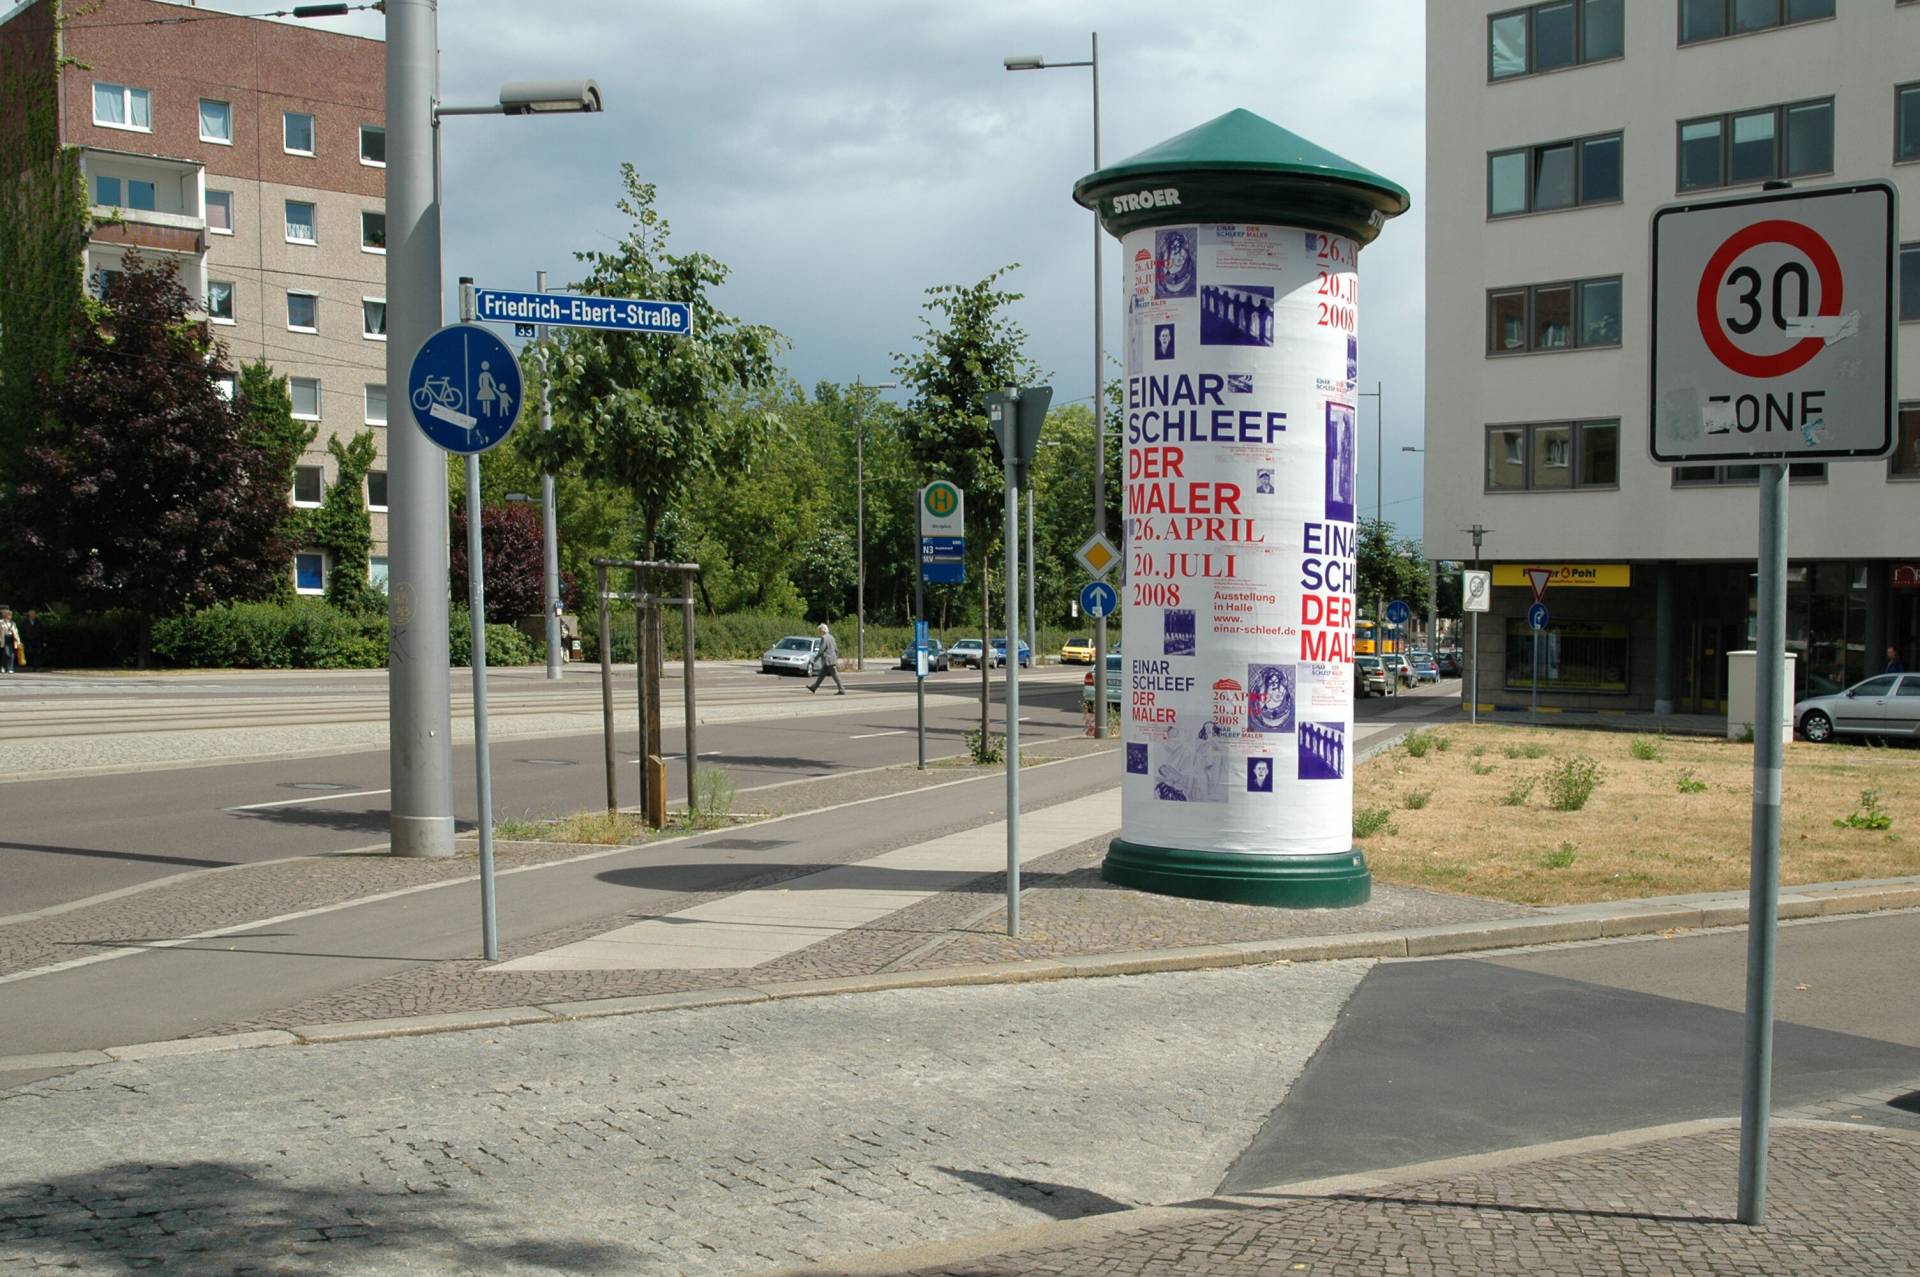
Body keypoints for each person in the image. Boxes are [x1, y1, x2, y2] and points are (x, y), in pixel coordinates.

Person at [809, 622, 845, 695]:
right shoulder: (831, 637)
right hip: (832, 658)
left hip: (828, 659)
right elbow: (836, 649)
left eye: (819, 631)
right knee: (822, 674)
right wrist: (836, 657)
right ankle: (814, 687)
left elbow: (821, 650)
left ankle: (841, 689)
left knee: (835, 675)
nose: (819, 632)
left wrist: (815, 659)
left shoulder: (824, 638)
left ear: (823, 630)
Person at [0, 609, 18, 675]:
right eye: (9, 615)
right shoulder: (1, 622)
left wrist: (18, 641)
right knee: (7, 653)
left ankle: (10, 668)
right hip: (4, 639)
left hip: (12, 639)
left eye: (10, 615)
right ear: (5, 615)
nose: (10, 616)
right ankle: (3, 666)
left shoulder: (13, 623)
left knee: (12, 654)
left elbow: (16, 632)